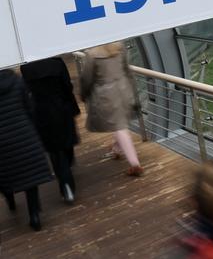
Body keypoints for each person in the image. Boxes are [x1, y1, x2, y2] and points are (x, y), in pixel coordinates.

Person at [20, 57, 80, 203]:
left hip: (41, 111)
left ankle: (65, 185)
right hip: (62, 107)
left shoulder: (26, 67)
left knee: (55, 150)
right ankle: (68, 169)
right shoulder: (57, 62)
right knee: (66, 141)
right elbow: (67, 85)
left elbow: (28, 91)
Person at [0, 68, 53, 231]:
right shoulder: (16, 80)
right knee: (31, 176)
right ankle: (34, 215)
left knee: (5, 173)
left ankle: (11, 201)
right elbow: (29, 106)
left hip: (2, 139)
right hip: (24, 132)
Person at [80, 42, 142, 176]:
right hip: (124, 89)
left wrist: (84, 95)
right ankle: (117, 148)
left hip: (106, 95)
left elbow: (87, 79)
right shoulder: (120, 47)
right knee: (119, 124)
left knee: (119, 126)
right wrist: (132, 91)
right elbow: (127, 70)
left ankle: (134, 164)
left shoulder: (92, 55)